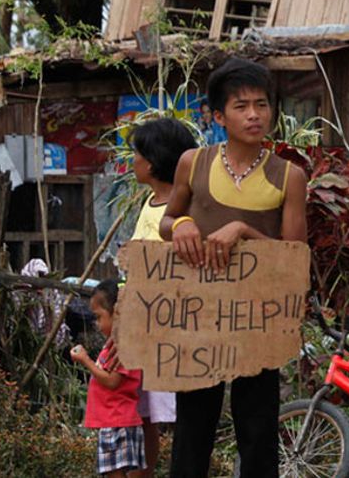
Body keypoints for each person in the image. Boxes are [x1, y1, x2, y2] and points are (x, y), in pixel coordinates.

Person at [159, 58, 308, 478]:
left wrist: (242, 229)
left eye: (262, 105)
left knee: (258, 433)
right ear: (219, 116)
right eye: (241, 106)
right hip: (199, 317)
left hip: (258, 318)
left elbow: (295, 255)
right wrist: (183, 223)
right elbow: (167, 221)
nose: (255, 115)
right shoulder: (194, 162)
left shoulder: (289, 177)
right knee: (192, 431)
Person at [127, 117, 196, 477]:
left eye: (136, 154)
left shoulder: (183, 213)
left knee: (178, 412)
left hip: (171, 331)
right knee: (143, 413)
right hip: (142, 327)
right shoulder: (150, 204)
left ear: (151, 162)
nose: (132, 162)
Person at [71, 280, 146, 478]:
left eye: (98, 317)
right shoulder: (113, 344)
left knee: (115, 473)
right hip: (114, 419)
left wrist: (85, 360)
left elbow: (112, 381)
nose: (96, 324)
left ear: (117, 314)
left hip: (117, 420)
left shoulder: (124, 347)